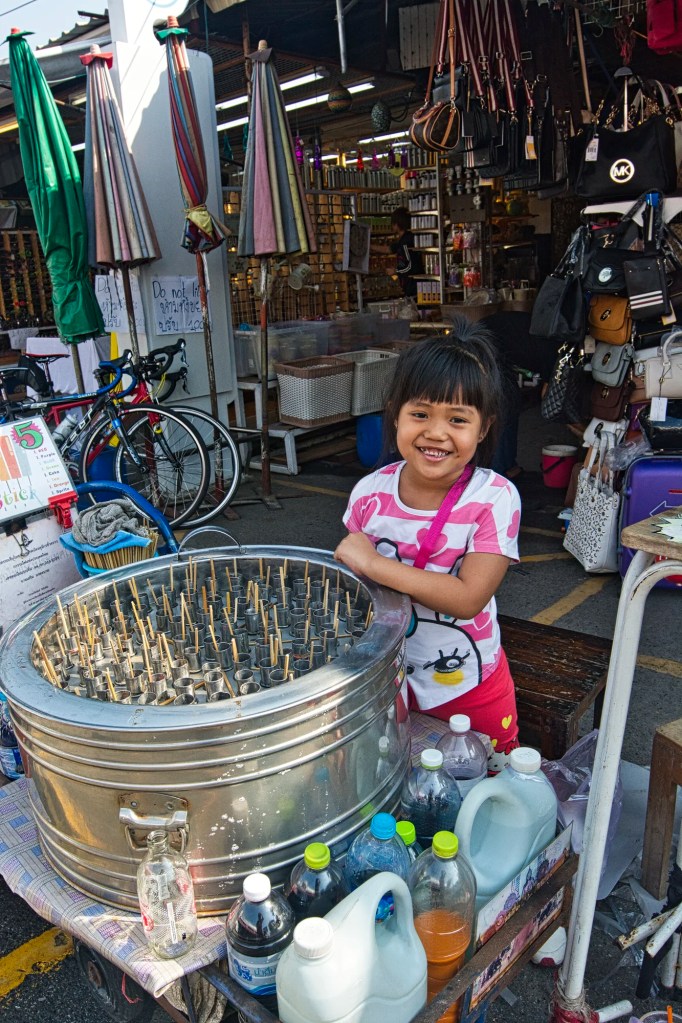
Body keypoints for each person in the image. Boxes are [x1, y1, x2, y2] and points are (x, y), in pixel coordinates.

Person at [334, 322, 521, 771]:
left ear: (483, 428)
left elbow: (467, 599)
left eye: (457, 419)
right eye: (420, 414)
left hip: (471, 687)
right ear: (396, 415)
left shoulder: (493, 498)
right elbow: (355, 591)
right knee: (403, 792)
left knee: (484, 788)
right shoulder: (369, 493)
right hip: (390, 681)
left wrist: (373, 563)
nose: (436, 433)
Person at [390, 206, 424, 298]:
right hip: (411, 285)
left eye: (393, 223)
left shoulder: (406, 242)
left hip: (413, 286)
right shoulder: (404, 240)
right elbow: (389, 249)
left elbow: (410, 266)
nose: (392, 226)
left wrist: (395, 271)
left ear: (397, 224)